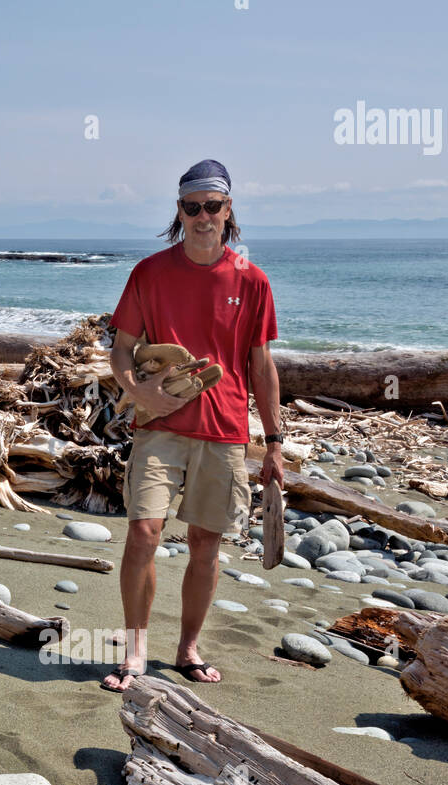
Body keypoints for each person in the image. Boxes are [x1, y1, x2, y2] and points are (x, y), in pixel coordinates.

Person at [101, 158, 284, 692]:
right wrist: (139, 393)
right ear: (179, 211)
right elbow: (120, 350)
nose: (203, 215)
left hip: (225, 430)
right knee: (142, 532)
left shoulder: (252, 280)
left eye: (213, 205)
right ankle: (136, 650)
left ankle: (186, 648)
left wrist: (273, 442)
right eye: (192, 206)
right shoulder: (150, 272)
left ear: (229, 210)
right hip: (159, 428)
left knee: (206, 543)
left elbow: (261, 364)